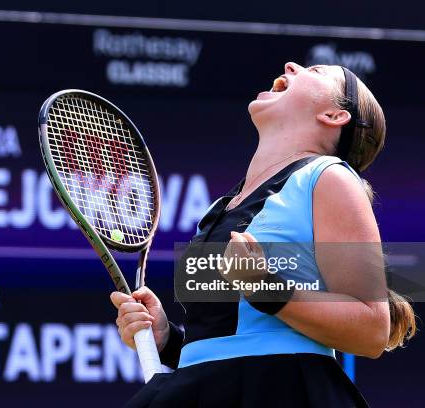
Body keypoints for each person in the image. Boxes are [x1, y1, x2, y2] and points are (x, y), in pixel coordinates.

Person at [111, 62, 416, 407]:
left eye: (315, 71)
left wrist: (266, 287)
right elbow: (232, 341)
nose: (290, 65)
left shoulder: (330, 178)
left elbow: (372, 330)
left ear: (334, 115)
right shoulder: (218, 210)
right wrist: (168, 340)